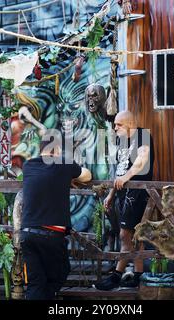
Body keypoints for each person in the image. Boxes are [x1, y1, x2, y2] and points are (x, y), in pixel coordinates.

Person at [20, 135, 92, 300]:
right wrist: (69, 177)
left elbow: (44, 179)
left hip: (27, 235)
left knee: (35, 284)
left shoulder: (28, 165)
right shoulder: (64, 164)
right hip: (52, 236)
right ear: (58, 150)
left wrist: (65, 177)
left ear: (41, 149)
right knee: (61, 273)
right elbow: (87, 175)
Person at [94, 110, 154, 290]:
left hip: (136, 193)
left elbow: (141, 161)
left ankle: (116, 276)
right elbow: (119, 171)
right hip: (122, 193)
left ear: (129, 123)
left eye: (118, 125)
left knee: (124, 234)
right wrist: (111, 194)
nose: (115, 128)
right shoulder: (122, 141)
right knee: (135, 236)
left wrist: (126, 177)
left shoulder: (143, 135)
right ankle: (138, 275)